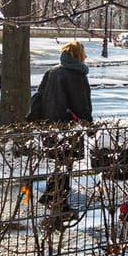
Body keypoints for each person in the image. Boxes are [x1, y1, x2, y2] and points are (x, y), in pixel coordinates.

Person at [26, 40, 93, 217]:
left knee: (60, 163)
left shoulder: (52, 72)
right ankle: (58, 202)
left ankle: (52, 196)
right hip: (68, 126)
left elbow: (39, 96)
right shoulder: (76, 75)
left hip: (51, 125)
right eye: (84, 53)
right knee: (65, 164)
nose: (86, 56)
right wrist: (89, 124)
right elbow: (82, 103)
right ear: (78, 55)